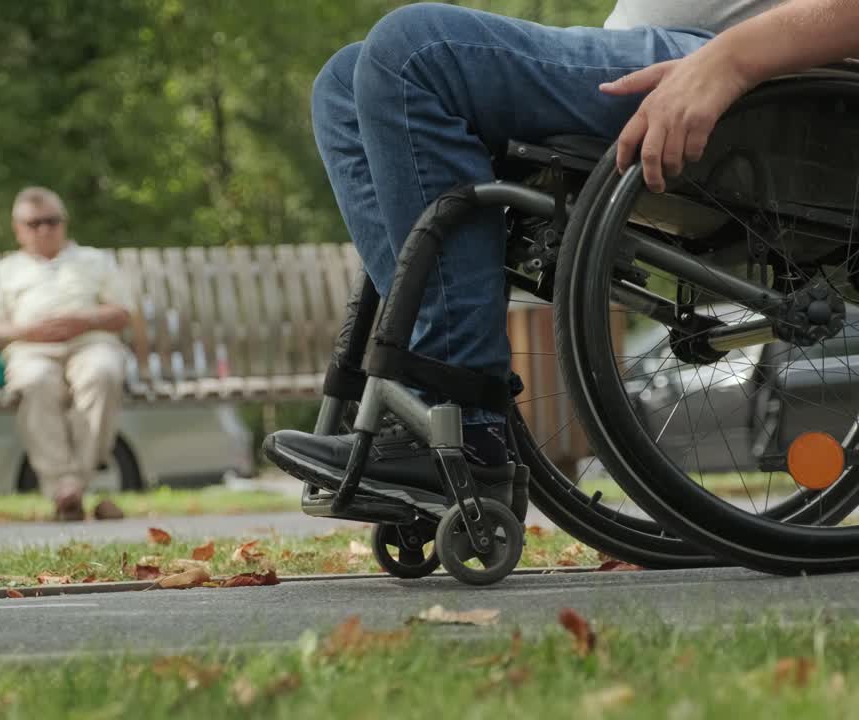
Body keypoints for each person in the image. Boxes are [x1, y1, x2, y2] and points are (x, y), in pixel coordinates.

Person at [264, 0, 859, 505]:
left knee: (413, 52)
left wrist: (729, 60)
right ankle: (429, 419)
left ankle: (462, 426)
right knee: (344, 82)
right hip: (680, 63)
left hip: (751, 81)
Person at [0, 187, 134, 521]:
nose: (45, 229)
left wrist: (86, 319)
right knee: (33, 382)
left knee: (103, 373)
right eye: (34, 223)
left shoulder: (95, 260)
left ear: (64, 223)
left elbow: (123, 313)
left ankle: (68, 487)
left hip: (91, 342)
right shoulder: (4, 271)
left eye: (52, 221)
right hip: (32, 349)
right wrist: (29, 331)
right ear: (18, 229)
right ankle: (68, 484)